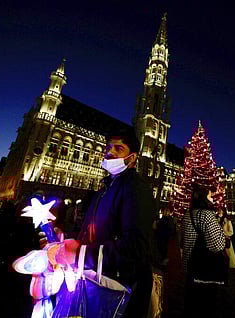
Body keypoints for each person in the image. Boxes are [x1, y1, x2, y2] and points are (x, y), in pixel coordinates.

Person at [49, 128, 157, 318]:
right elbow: (95, 233)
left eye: (118, 148)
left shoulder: (136, 188)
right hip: (95, 284)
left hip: (119, 294)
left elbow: (135, 248)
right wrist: (66, 241)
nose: (110, 152)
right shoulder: (105, 189)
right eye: (108, 147)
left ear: (131, 158)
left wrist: (79, 254)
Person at [182, 185, 226, 318]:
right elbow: (217, 245)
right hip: (205, 268)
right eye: (210, 196)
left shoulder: (187, 214)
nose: (212, 199)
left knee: (191, 304)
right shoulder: (206, 215)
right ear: (203, 198)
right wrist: (223, 236)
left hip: (189, 266)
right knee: (207, 305)